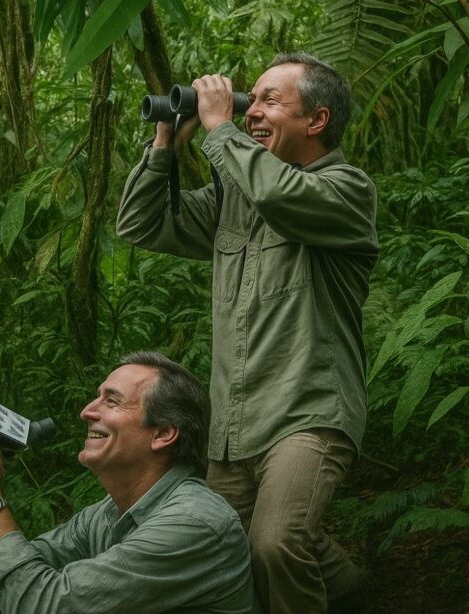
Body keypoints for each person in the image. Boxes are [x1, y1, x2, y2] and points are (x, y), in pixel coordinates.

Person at [116, 52, 378, 613]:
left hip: (308, 410)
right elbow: (140, 223)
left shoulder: (346, 190)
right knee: (223, 547)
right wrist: (166, 142)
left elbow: (282, 195)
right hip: (235, 423)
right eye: (248, 99)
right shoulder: (235, 197)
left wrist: (219, 127)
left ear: (317, 120)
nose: (252, 111)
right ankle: (355, 588)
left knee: (275, 542)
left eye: (269, 100)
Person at [0, 351, 259, 613]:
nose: (87, 411)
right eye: (96, 397)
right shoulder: (107, 514)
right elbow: (1, 570)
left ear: (163, 434)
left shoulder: (193, 523)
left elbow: (42, 604)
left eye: (111, 401)